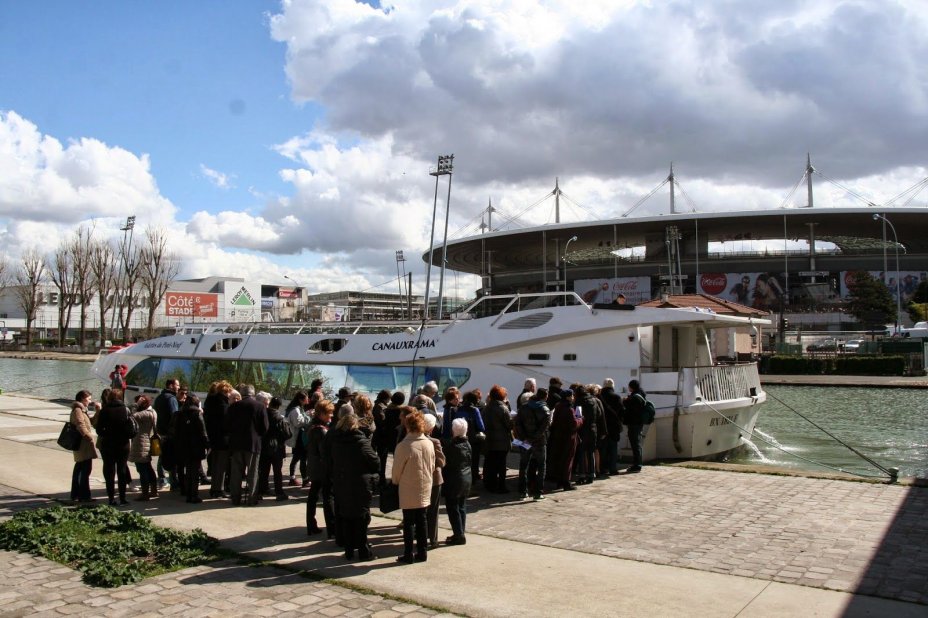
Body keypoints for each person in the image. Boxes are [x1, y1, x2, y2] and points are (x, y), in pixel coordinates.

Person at [329, 412, 380, 561]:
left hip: (341, 481)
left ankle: (349, 550)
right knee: (361, 518)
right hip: (359, 483)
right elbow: (375, 461)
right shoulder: (361, 442)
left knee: (347, 517)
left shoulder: (336, 441)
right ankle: (363, 551)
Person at [392, 409, 435, 564]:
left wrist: (395, 482)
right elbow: (431, 465)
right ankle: (422, 552)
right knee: (422, 520)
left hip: (408, 486)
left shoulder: (404, 446)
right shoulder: (429, 443)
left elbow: (396, 470)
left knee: (409, 521)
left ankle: (408, 553)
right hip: (425, 485)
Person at [226, 384, 268, 506]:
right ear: (253, 393)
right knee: (253, 472)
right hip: (253, 444)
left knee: (236, 472)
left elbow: (227, 425)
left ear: (242, 393)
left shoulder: (233, 407)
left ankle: (235, 498)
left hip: (236, 444)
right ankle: (252, 498)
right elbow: (265, 427)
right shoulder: (260, 406)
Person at [95, 388, 133, 505]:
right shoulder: (126, 410)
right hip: (123, 443)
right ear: (121, 398)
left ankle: (111, 498)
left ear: (109, 398)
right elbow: (131, 426)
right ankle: (123, 498)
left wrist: (107, 434)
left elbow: (99, 429)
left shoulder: (104, 411)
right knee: (122, 470)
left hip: (108, 444)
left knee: (109, 470)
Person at [514, 388, 550, 500]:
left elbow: (518, 425)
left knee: (523, 466)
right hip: (539, 441)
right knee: (541, 466)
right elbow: (543, 429)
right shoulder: (545, 410)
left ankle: (522, 492)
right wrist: (532, 438)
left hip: (525, 441)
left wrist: (525, 438)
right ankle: (538, 493)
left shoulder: (523, 408)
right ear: (545, 396)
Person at [306, 400, 335, 536]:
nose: (331, 416)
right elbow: (325, 453)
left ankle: (311, 524)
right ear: (322, 413)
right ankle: (332, 527)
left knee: (313, 495)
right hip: (322, 468)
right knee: (327, 497)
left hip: (313, 465)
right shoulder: (322, 430)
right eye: (329, 413)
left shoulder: (312, 426)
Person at [173, 394, 209, 503]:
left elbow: (176, 431)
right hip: (196, 446)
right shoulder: (197, 414)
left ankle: (188, 493)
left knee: (187, 470)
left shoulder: (179, 414)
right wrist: (207, 445)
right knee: (195, 471)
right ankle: (194, 495)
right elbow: (203, 432)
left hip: (183, 445)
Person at [442, 418, 472, 545]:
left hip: (454, 479)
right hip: (466, 478)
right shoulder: (467, 444)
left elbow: (446, 463)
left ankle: (459, 534)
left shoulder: (452, 446)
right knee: (461, 507)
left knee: (453, 508)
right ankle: (460, 532)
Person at [547, 389, 581, 491]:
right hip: (569, 438)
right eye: (572, 396)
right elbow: (574, 424)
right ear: (568, 397)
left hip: (558, 437)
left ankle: (560, 481)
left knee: (560, 459)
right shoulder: (569, 409)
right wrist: (580, 418)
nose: (573, 397)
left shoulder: (558, 406)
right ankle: (566, 482)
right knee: (568, 460)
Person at [203, 380, 233, 498]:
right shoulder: (223, 404)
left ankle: (214, 488)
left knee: (215, 465)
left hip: (213, 438)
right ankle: (218, 490)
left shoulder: (210, 401)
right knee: (221, 466)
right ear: (226, 391)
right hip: (223, 440)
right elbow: (226, 423)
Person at [482, 385, 513, 493]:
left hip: (489, 439)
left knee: (491, 463)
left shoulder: (487, 407)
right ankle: (501, 486)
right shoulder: (503, 408)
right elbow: (509, 425)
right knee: (501, 464)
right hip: (502, 440)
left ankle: (490, 484)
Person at [258, 396, 290, 501]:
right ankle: (279, 492)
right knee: (277, 471)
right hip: (277, 447)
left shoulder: (263, 414)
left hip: (264, 445)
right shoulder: (280, 418)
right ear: (279, 406)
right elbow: (288, 434)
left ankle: (262, 488)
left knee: (263, 470)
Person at [69, 390, 98, 503]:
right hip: (83, 445)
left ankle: (77, 494)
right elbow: (80, 425)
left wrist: (98, 411)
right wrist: (89, 436)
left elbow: (91, 422)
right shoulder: (78, 410)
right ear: (82, 398)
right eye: (89, 399)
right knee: (84, 470)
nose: (90, 401)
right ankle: (83, 495)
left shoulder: (82, 410)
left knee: (81, 468)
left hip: (83, 444)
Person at [128, 395, 158, 501]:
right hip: (147, 441)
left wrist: (136, 405)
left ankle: (145, 493)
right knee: (148, 467)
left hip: (140, 442)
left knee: (142, 469)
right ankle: (153, 490)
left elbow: (130, 416)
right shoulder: (152, 412)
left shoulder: (144, 414)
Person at [422, 413, 445, 549]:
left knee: (422, 510)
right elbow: (441, 462)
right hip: (434, 479)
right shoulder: (434, 442)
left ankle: (423, 536)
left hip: (423, 479)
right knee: (433, 510)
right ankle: (433, 539)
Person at [575, 385, 605, 484]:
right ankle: (591, 474)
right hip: (593, 429)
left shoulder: (579, 401)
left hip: (582, 430)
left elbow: (578, 417)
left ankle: (582, 475)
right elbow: (600, 414)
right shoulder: (594, 400)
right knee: (591, 451)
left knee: (582, 452)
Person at [153, 378, 180, 489]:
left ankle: (162, 478)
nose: (178, 387)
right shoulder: (171, 399)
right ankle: (173, 481)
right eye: (177, 385)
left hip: (160, 430)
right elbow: (175, 416)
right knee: (171, 456)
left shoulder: (159, 397)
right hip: (169, 432)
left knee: (161, 455)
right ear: (170, 385)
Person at [598, 379, 624, 476]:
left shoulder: (599, 397)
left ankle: (603, 468)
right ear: (612, 386)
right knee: (613, 448)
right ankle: (613, 469)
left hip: (602, 426)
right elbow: (621, 412)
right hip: (614, 426)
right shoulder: (616, 397)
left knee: (603, 449)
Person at [371, 389, 397, 484]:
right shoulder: (380, 407)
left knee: (382, 458)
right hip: (381, 436)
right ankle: (380, 479)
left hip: (379, 436)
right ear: (386, 398)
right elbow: (382, 422)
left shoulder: (378, 405)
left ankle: (380, 477)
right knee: (382, 458)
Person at [286, 391, 311, 486]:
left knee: (296, 458)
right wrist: (309, 416)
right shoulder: (295, 410)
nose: (308, 399)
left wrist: (307, 414)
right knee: (303, 459)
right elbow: (299, 423)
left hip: (297, 438)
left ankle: (292, 477)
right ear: (301, 400)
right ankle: (305, 479)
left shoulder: (296, 408)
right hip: (299, 438)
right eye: (306, 398)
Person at [623, 380, 648, 473]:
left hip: (634, 423)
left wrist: (625, 401)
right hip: (639, 423)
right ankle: (637, 463)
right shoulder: (640, 394)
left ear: (631, 387)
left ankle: (637, 465)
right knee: (637, 444)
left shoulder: (635, 397)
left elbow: (631, 409)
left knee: (635, 444)